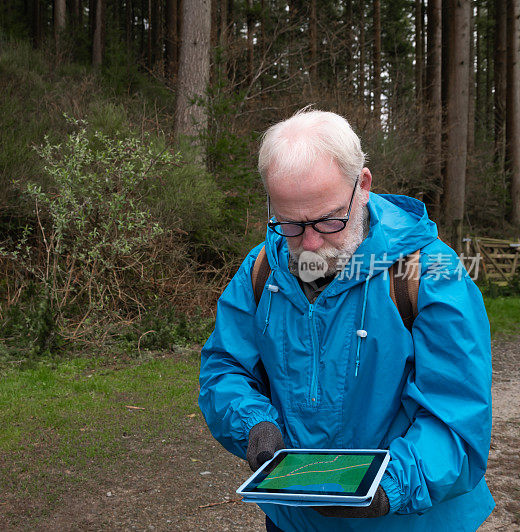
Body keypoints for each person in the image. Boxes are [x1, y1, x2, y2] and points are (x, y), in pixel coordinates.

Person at [198, 109, 493, 532]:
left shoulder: (430, 274)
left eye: (329, 219)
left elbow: (458, 418)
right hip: (294, 522)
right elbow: (224, 366)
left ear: (364, 186)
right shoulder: (262, 268)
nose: (312, 243)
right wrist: (254, 424)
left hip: (411, 522)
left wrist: (387, 488)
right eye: (292, 224)